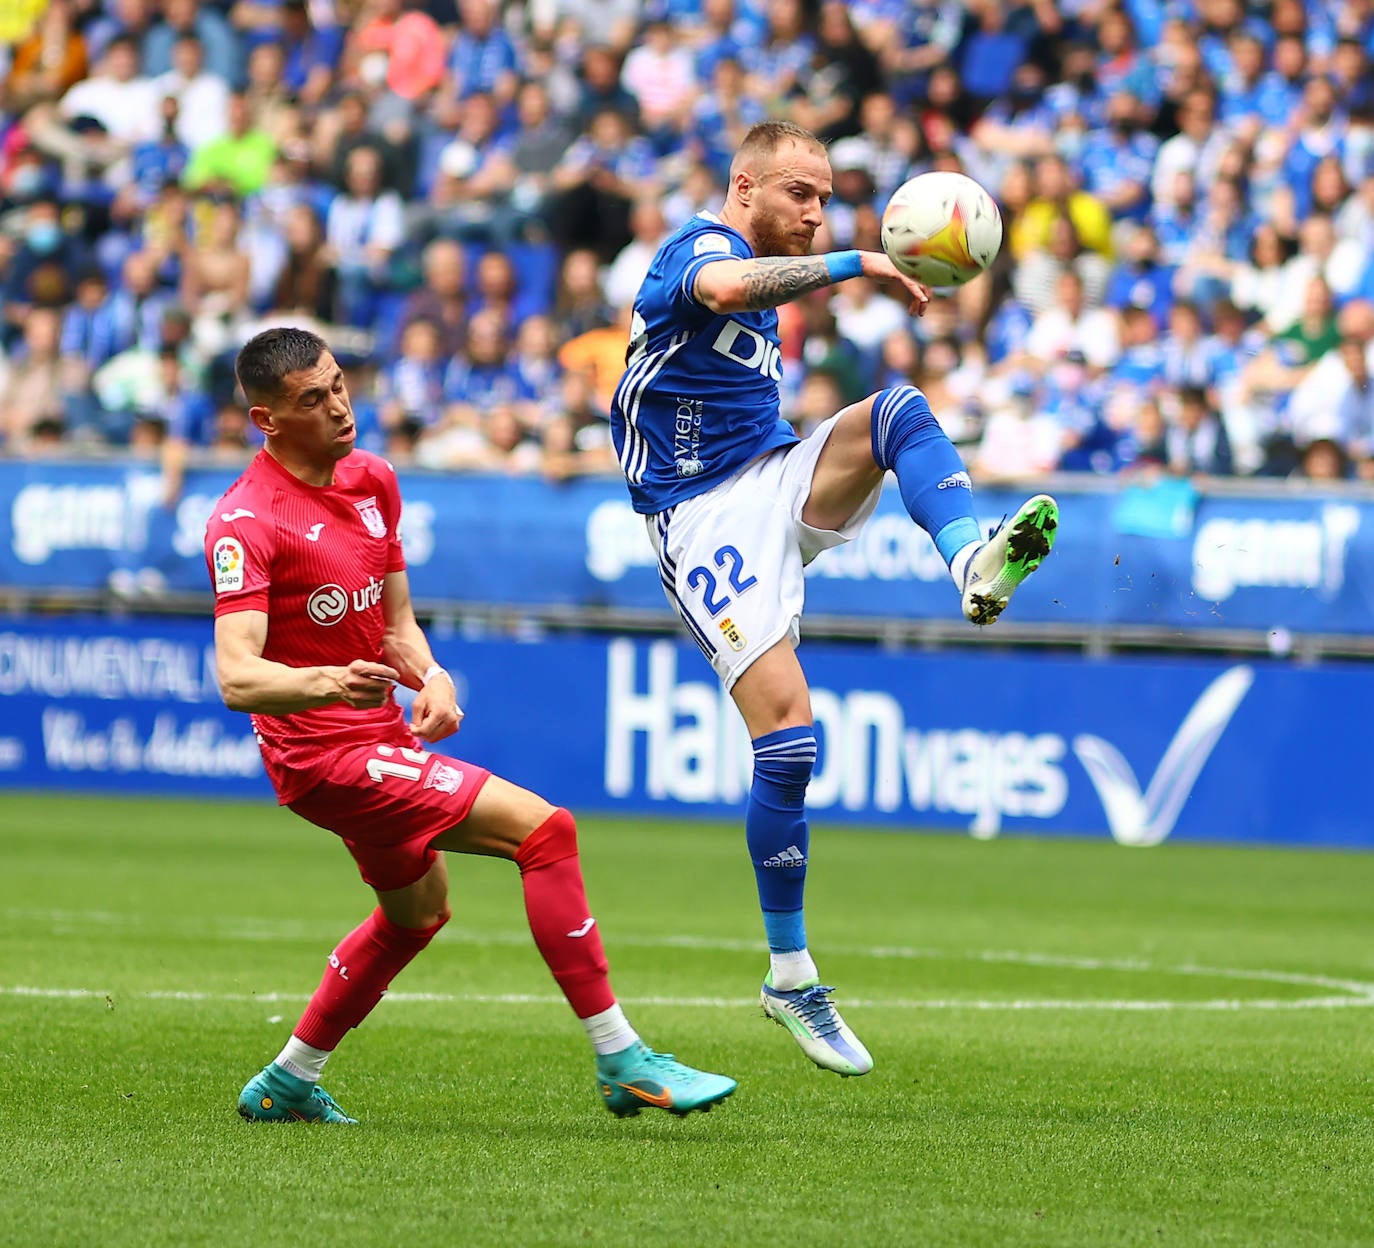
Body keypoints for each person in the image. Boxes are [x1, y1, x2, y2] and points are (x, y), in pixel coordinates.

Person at [609, 121, 1059, 1078]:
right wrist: (861, 259)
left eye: (824, 196)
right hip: (699, 521)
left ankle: (972, 560)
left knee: (898, 409)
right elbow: (726, 290)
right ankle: (790, 973)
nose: (815, 212)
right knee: (790, 742)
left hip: (774, 475)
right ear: (743, 187)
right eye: (798, 194)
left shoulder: (774, 265)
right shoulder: (695, 249)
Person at [205, 326, 736, 1124]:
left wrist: (434, 674)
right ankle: (622, 1059)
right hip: (322, 759)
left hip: (377, 737)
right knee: (545, 831)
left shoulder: (374, 480)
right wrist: (328, 682)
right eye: (312, 401)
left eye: (339, 385)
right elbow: (237, 674)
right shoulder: (246, 522)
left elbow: (393, 625)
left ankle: (287, 1081)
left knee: (415, 915)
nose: (339, 407)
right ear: (266, 421)